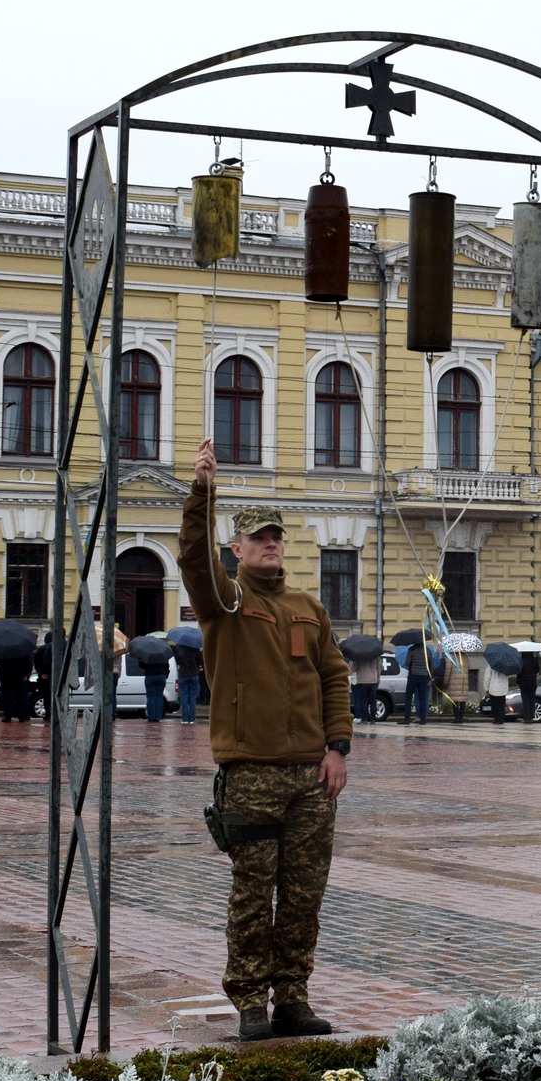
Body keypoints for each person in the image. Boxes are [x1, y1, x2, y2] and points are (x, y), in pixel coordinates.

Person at [182, 437, 350, 1042]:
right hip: (250, 774)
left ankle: (293, 998)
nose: (270, 543)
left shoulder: (309, 606)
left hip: (310, 775)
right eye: (258, 538)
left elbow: (333, 676)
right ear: (238, 549)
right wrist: (202, 490)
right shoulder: (225, 602)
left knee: (304, 894)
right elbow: (195, 563)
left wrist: (338, 748)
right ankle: (251, 1000)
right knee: (254, 893)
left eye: (275, 536)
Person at [401, 639, 431, 725]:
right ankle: (423, 719)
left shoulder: (412, 649)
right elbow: (431, 665)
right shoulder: (427, 651)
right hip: (424, 676)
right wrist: (430, 677)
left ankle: (407, 718)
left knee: (408, 697)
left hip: (413, 675)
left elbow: (407, 663)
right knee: (422, 697)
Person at [347, 650, 380, 725]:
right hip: (373, 680)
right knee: (372, 701)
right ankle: (373, 719)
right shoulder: (376, 656)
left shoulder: (359, 656)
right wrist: (378, 680)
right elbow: (378, 668)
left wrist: (354, 662)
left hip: (362, 680)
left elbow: (354, 669)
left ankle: (364, 719)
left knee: (363, 701)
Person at [175, 640, 204, 724]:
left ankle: (185, 718)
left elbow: (177, 661)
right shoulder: (196, 650)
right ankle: (192, 718)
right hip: (194, 674)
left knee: (184, 697)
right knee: (192, 697)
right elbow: (200, 662)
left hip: (183, 675)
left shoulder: (180, 650)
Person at [0, 651, 31, 723]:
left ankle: (7, 716)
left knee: (7, 695)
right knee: (20, 695)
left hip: (5, 672)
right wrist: (26, 673)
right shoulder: (22, 648)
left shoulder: (3, 647)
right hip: (19, 672)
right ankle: (22, 716)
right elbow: (27, 660)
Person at [144, 652, 168, 723]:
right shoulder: (163, 653)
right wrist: (166, 674)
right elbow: (167, 666)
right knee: (159, 697)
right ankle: (158, 716)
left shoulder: (147, 653)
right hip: (161, 675)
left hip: (150, 675)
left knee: (151, 697)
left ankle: (151, 716)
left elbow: (141, 665)